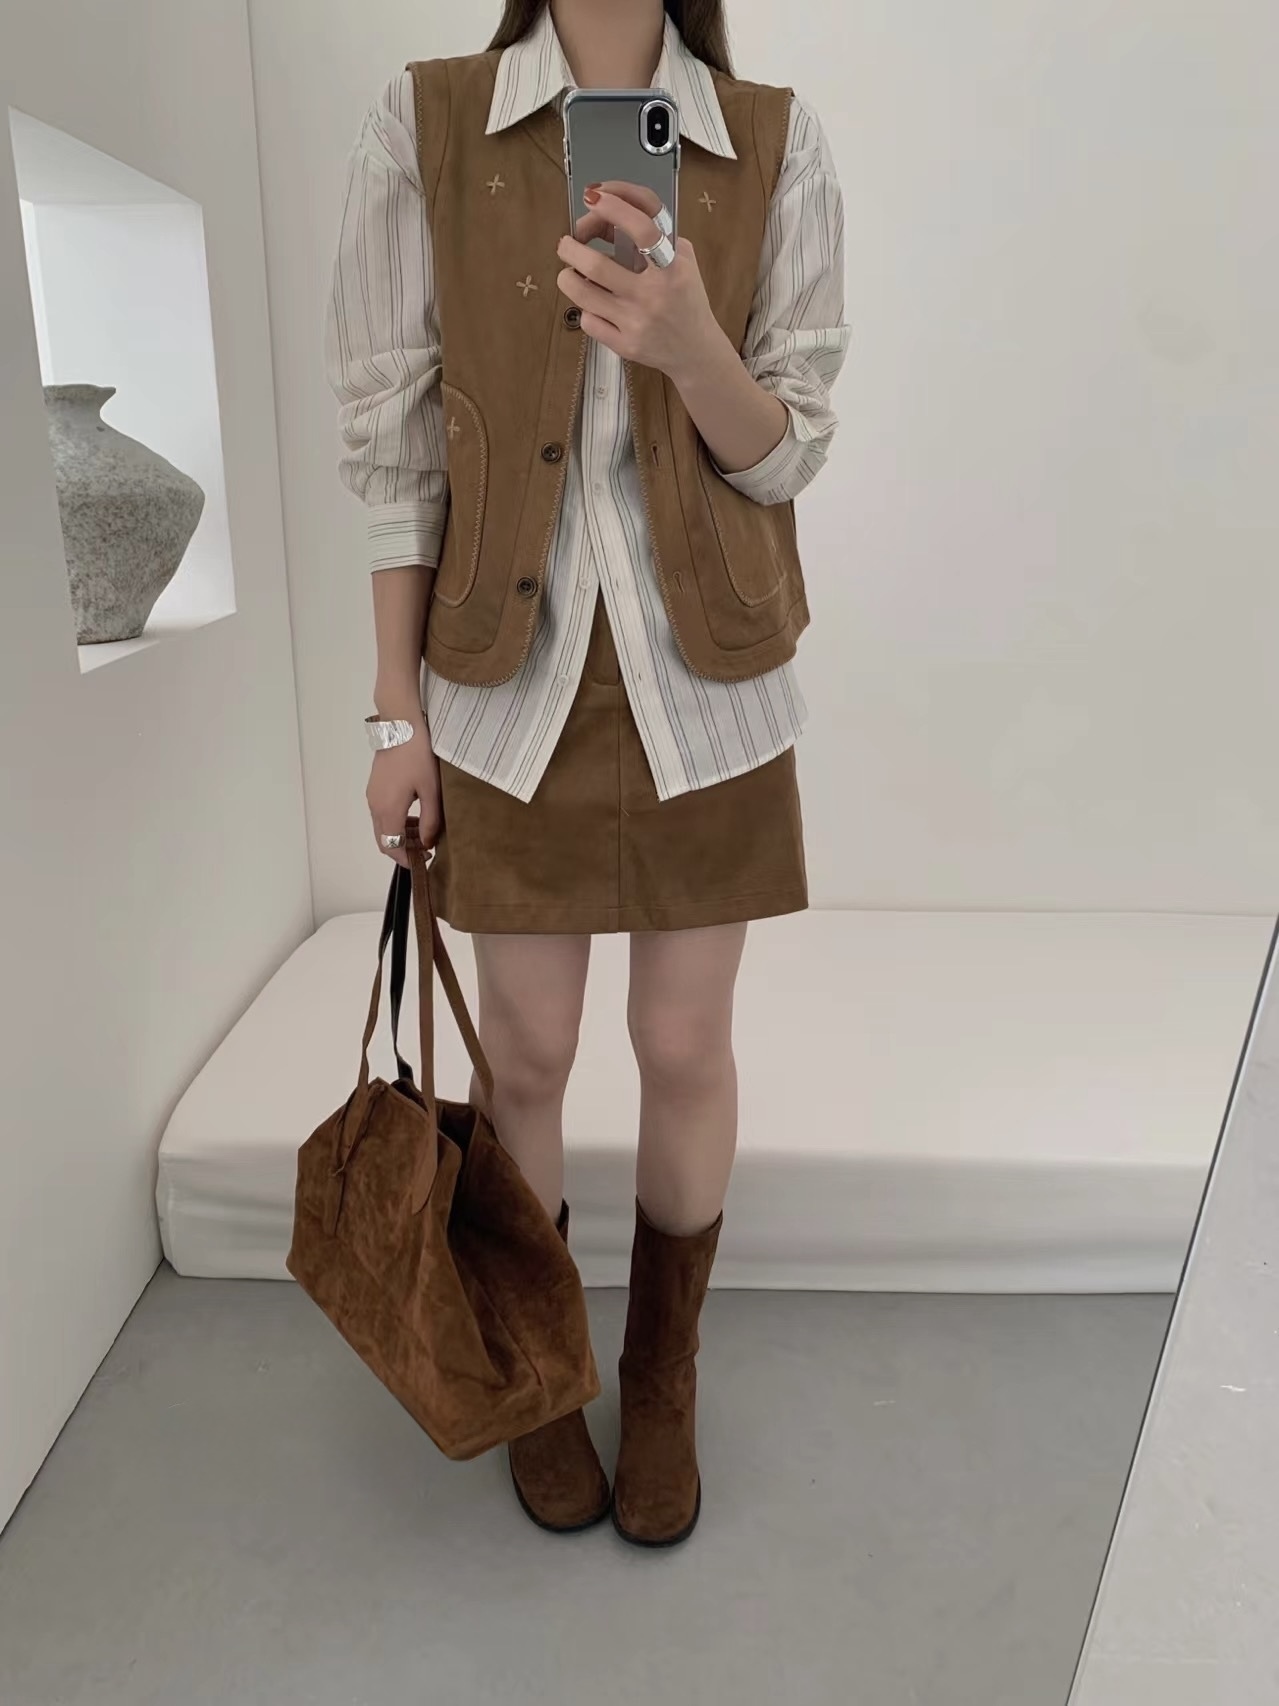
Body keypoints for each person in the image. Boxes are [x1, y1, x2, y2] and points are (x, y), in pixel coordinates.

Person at [325, 0, 847, 1547]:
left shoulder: (776, 142)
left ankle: (660, 1379)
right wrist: (393, 714)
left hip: (707, 679)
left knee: (684, 1042)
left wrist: (690, 346)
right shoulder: (426, 124)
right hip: (508, 679)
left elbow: (791, 448)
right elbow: (395, 444)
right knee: (531, 1052)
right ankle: (542, 1369)